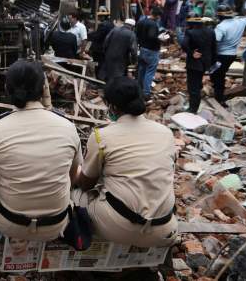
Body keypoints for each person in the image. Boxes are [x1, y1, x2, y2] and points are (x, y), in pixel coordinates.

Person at [0, 60, 81, 241]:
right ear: (43, 89)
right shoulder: (68, 127)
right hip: (56, 225)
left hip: (7, 222)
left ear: (7, 89)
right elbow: (72, 176)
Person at [71, 77, 177, 247]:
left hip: (119, 228)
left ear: (111, 105)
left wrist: (74, 173)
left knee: (75, 196)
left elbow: (86, 184)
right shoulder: (165, 132)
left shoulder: (101, 136)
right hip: (164, 230)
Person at [212, 7, 246, 104]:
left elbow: (215, 42)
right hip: (232, 55)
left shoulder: (221, 27)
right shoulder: (240, 22)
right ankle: (218, 94)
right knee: (219, 74)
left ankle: (219, 98)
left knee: (218, 76)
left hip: (221, 55)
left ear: (220, 16)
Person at [181, 18, 216, 113]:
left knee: (193, 86)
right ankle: (196, 103)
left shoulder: (190, 32)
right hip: (206, 62)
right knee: (198, 82)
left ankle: (193, 109)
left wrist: (191, 53)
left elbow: (183, 44)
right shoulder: (211, 31)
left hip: (194, 63)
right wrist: (212, 62)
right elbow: (214, 47)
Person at [135, 7, 163, 100]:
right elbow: (151, 36)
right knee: (150, 72)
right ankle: (146, 93)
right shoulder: (153, 24)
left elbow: (137, 34)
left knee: (142, 70)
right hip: (151, 50)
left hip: (142, 48)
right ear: (158, 16)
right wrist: (160, 39)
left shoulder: (141, 21)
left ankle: (139, 89)